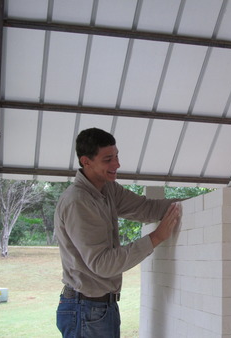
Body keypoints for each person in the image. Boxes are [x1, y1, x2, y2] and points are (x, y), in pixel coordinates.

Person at [54, 127, 182, 337]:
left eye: (116, 156)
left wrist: (203, 203)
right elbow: (102, 264)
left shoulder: (107, 189)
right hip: (86, 310)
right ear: (86, 161)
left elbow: (147, 208)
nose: (117, 164)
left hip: (100, 308)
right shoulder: (78, 201)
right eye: (107, 159)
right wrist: (156, 237)